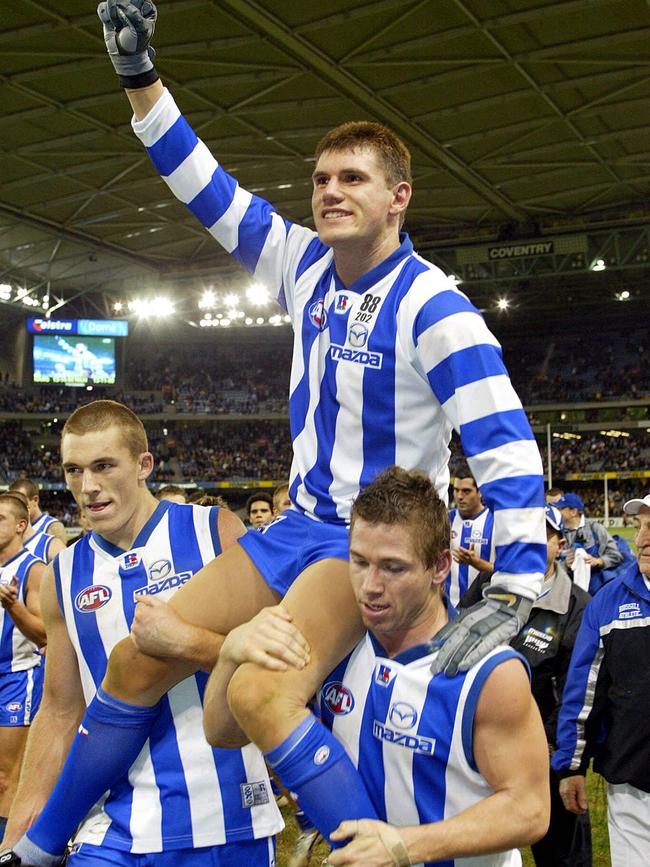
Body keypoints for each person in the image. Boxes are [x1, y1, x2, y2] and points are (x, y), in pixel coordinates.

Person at [0, 3, 546, 863]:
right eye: (322, 178)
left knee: (258, 693)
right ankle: (37, 845)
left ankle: (382, 848)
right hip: (292, 525)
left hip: (359, 542)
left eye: (354, 179)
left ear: (399, 196)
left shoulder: (436, 307)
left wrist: (518, 585)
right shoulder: (303, 265)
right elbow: (208, 188)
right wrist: (141, 79)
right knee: (141, 651)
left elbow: (507, 442)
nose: (330, 191)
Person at [206, 468, 550, 865]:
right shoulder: (330, 648)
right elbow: (222, 732)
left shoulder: (487, 672)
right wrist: (231, 656)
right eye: (358, 561)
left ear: (440, 567)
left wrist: (406, 846)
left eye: (393, 567)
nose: (370, 585)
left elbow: (529, 809)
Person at [3, 401, 284, 866]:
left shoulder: (214, 532)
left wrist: (184, 642)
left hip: (227, 822)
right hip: (111, 831)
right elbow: (59, 710)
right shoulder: (63, 574)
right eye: (73, 470)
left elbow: (276, 664)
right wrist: (18, 836)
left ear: (143, 465)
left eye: (104, 466)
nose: (87, 487)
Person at [461, 505, 592, 867]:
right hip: (479, 746)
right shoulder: (488, 587)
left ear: (559, 545)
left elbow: (576, 692)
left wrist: (555, 752)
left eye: (542, 535)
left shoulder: (577, 605)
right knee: (479, 849)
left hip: (545, 755)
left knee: (561, 855)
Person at [552, 492, 650, 867]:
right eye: (640, 528)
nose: (641, 540)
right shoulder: (609, 603)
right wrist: (572, 766)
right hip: (632, 786)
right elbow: (583, 693)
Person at [0, 494, 47, 840]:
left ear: (20, 525)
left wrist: (13, 607)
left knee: (5, 774)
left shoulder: (33, 569)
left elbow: (43, 633)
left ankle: (7, 845)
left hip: (18, 677)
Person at [554, 492, 622, 594]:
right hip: (567, 594)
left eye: (561, 509)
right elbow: (549, 566)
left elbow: (616, 555)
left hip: (598, 592)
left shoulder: (595, 529)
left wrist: (598, 561)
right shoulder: (558, 534)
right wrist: (565, 565)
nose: (557, 512)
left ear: (573, 512)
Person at [447, 468, 495, 606]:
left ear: (480, 492)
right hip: (449, 609)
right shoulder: (445, 520)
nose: (460, 496)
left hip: (483, 607)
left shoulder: (494, 522)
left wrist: (476, 563)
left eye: (466, 491)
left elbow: (504, 571)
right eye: (456, 490)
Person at [5, 492, 65, 566]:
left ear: (27, 510)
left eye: (2, 518)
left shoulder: (51, 545)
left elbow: (69, 575)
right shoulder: (5, 550)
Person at [7, 482, 67, 547]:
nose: (16, 506)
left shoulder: (52, 527)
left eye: (21, 501)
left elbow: (60, 556)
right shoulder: (14, 528)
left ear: (35, 500)